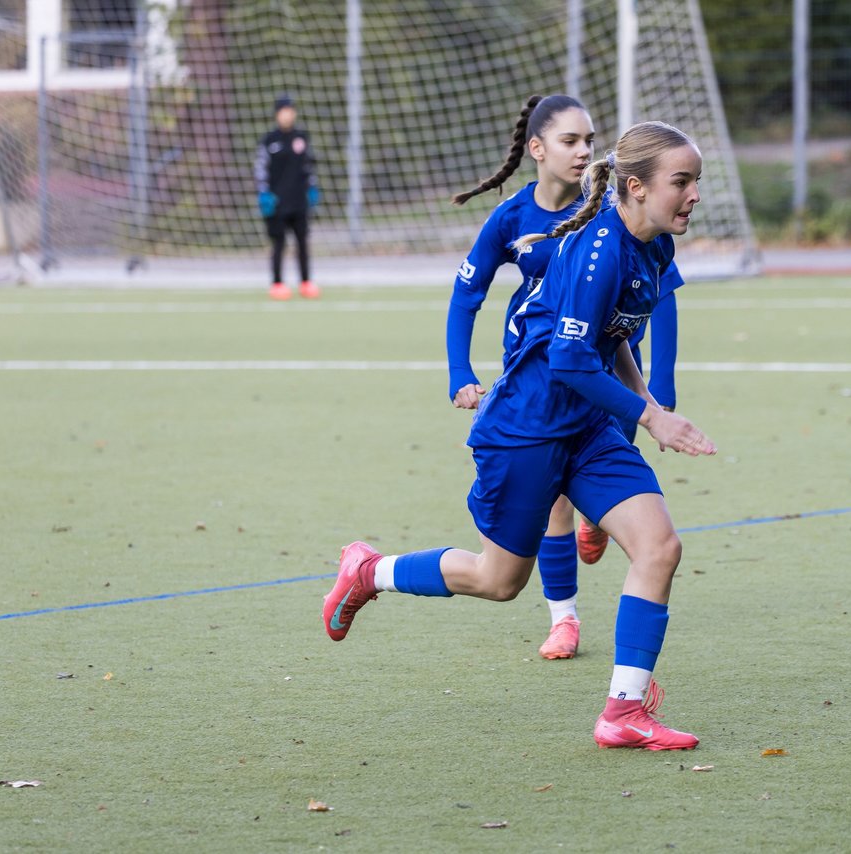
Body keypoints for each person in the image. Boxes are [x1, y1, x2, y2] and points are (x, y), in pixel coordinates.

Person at [324, 121, 714, 750]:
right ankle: (371, 570)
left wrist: (644, 399)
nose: (694, 194)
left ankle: (623, 712)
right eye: (682, 181)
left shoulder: (655, 246)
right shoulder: (599, 252)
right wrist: (652, 417)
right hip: (525, 431)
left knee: (659, 547)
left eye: (696, 180)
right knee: (499, 581)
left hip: (586, 429)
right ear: (638, 187)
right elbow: (569, 361)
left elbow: (611, 338)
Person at [447, 95, 685, 660]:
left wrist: (658, 391)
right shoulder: (515, 219)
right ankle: (564, 618)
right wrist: (460, 372)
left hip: (610, 381)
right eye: (570, 140)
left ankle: (598, 518)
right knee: (547, 508)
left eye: (589, 141)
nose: (583, 151)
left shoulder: (617, 210)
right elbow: (467, 294)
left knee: (632, 515)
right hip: (544, 380)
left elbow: (660, 299)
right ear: (537, 149)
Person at [254, 95, 321, 300]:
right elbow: (261, 169)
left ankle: (306, 282)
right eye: (283, 111)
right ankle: (277, 283)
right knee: (278, 244)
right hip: (277, 202)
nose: (287, 115)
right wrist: (263, 193)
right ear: (277, 114)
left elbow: (309, 166)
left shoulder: (301, 137)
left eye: (290, 110)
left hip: (299, 200)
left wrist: (312, 188)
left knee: (302, 243)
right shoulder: (269, 140)